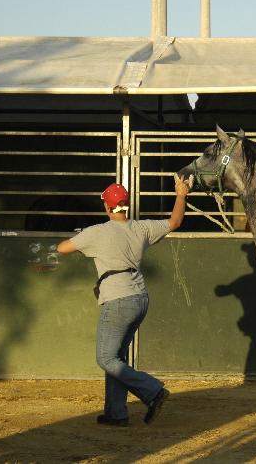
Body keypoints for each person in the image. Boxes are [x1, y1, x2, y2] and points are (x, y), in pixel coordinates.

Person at [56, 177, 189, 427]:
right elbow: (175, 222)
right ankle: (116, 413)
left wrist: (77, 239)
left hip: (117, 300)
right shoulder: (141, 228)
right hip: (139, 297)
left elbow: (62, 248)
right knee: (117, 357)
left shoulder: (98, 232)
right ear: (126, 205)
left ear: (107, 207)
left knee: (106, 359)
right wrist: (181, 194)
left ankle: (153, 391)